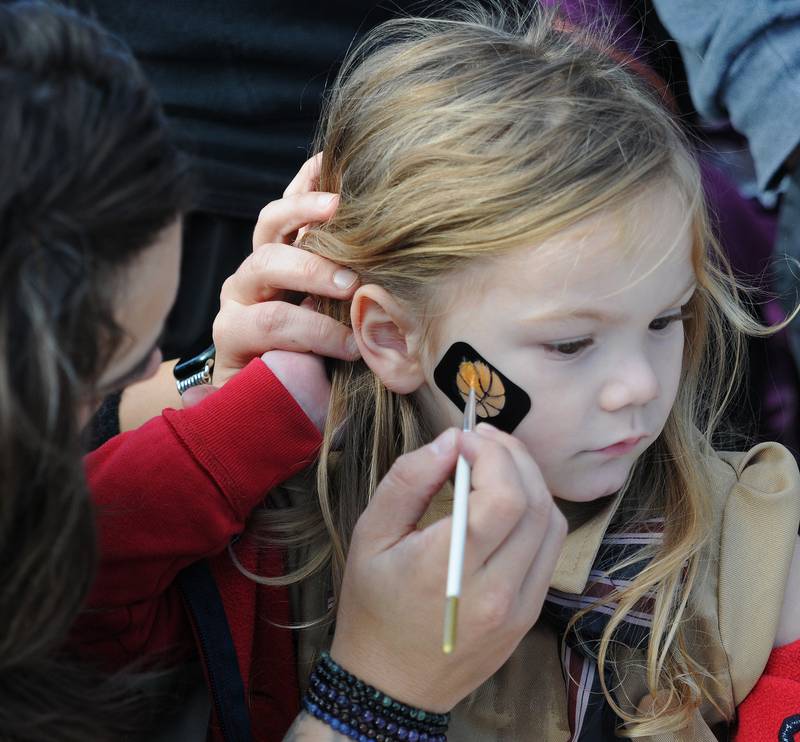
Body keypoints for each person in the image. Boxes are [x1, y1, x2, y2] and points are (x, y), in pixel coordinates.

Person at [79, 6, 800, 741]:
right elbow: (59, 599)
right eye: (570, 345)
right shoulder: (271, 535)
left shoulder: (754, 553)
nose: (640, 386)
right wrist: (240, 416)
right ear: (390, 337)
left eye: (664, 321)